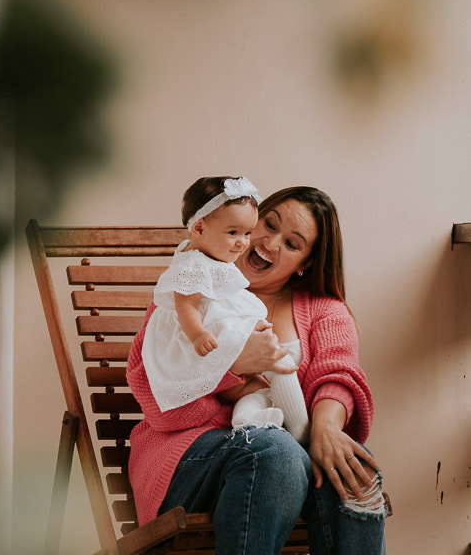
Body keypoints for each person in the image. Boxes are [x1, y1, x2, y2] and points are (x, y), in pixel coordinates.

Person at [127, 186, 387, 555]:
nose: (271, 242)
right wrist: (232, 366)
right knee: (275, 449)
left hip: (287, 463)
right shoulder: (191, 291)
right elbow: (155, 398)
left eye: (293, 243)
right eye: (269, 223)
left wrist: (326, 430)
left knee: (353, 468)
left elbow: (338, 373)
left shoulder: (325, 310)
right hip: (188, 462)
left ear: (305, 264)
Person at [142, 176, 308, 443]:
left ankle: (246, 423)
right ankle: (303, 438)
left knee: (260, 392)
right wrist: (198, 335)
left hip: (220, 344)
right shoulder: (192, 265)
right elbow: (187, 307)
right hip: (207, 344)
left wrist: (249, 326)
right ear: (199, 228)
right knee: (282, 363)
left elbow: (224, 305)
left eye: (246, 233)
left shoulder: (212, 259)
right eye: (233, 233)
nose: (243, 242)